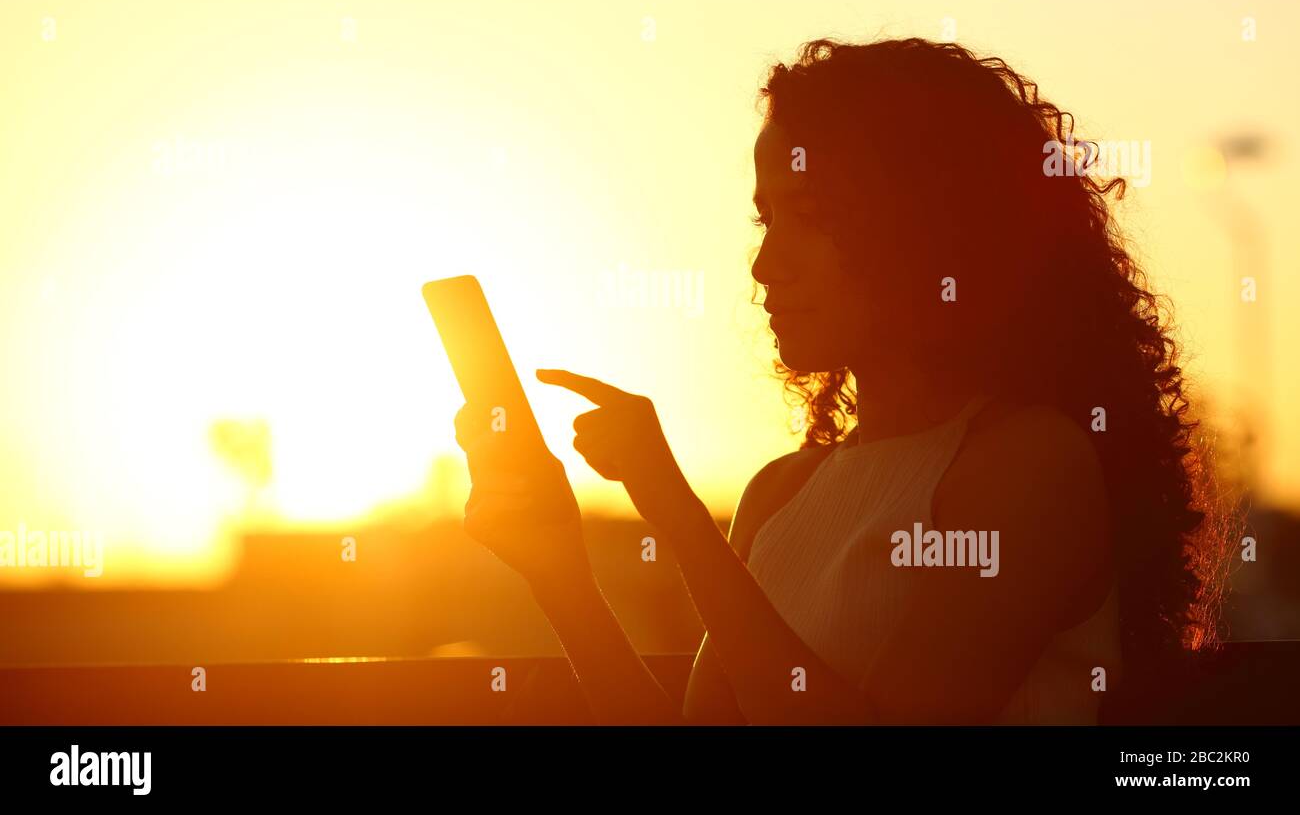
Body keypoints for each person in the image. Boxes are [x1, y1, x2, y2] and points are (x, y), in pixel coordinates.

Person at [453, 36, 1237, 725]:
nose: (765, 266)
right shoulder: (780, 494)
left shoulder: (1030, 466)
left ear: (925, 222)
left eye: (812, 215)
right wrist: (561, 574)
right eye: (766, 219)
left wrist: (675, 512)